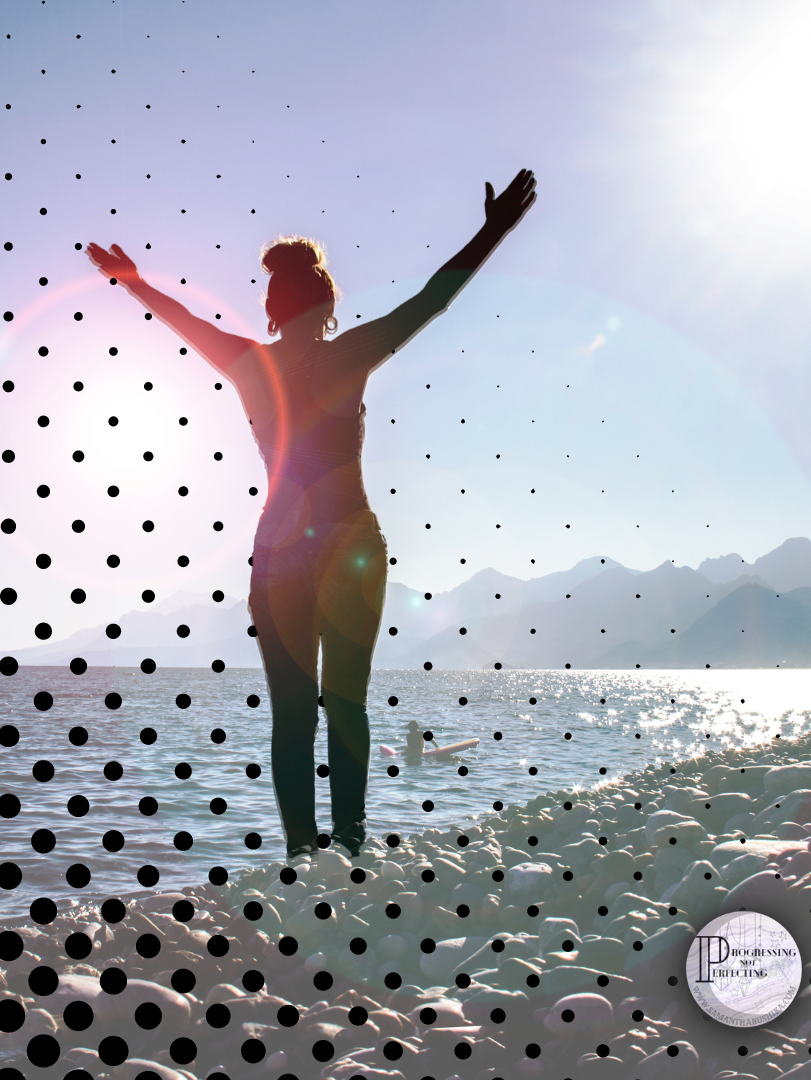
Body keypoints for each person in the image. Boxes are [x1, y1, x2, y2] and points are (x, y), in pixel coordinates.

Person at [86, 169, 537, 860]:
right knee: (346, 707)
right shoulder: (351, 353)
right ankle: (350, 846)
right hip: (352, 545)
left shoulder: (246, 362)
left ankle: (302, 855)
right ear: (327, 303)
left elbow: (180, 321)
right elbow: (433, 301)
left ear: (271, 307)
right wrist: (495, 229)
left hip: (280, 554)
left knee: (293, 717)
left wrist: (132, 281)